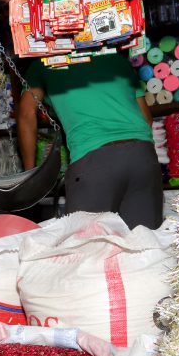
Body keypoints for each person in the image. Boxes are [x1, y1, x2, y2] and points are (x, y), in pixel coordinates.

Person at [17, 52, 162, 229]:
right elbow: (146, 119)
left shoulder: (44, 63)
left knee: (86, 248)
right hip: (143, 158)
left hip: (94, 160)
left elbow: (26, 115)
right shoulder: (117, 59)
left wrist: (30, 174)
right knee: (145, 246)